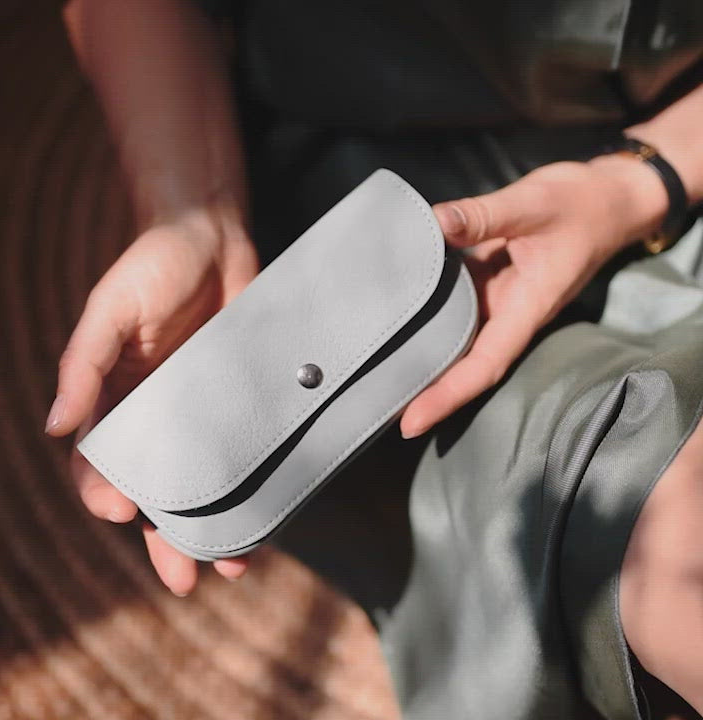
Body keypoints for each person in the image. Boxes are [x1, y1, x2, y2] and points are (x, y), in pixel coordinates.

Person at [46, 0, 703, 717]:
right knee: (654, 552)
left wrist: (640, 181)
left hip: (675, 165)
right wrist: (193, 208)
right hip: (338, 240)